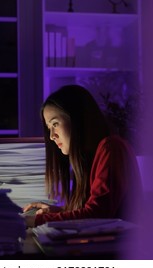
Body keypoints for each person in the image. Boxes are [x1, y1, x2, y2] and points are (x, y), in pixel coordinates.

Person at [23, 84, 143, 228]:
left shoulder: (111, 148)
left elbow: (97, 214)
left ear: (77, 120)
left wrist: (35, 221)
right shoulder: (88, 159)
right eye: (49, 128)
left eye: (55, 124)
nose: (51, 136)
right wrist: (57, 211)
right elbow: (89, 211)